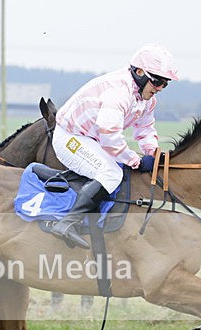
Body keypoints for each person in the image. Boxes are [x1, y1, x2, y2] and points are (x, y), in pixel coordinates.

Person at [50, 43, 178, 248]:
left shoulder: (147, 99)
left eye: (166, 83)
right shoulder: (119, 92)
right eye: (157, 81)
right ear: (139, 72)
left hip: (92, 139)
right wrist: (135, 161)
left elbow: (145, 129)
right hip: (70, 137)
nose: (160, 88)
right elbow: (109, 135)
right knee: (112, 173)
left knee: (119, 169)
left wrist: (152, 153)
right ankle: (67, 223)